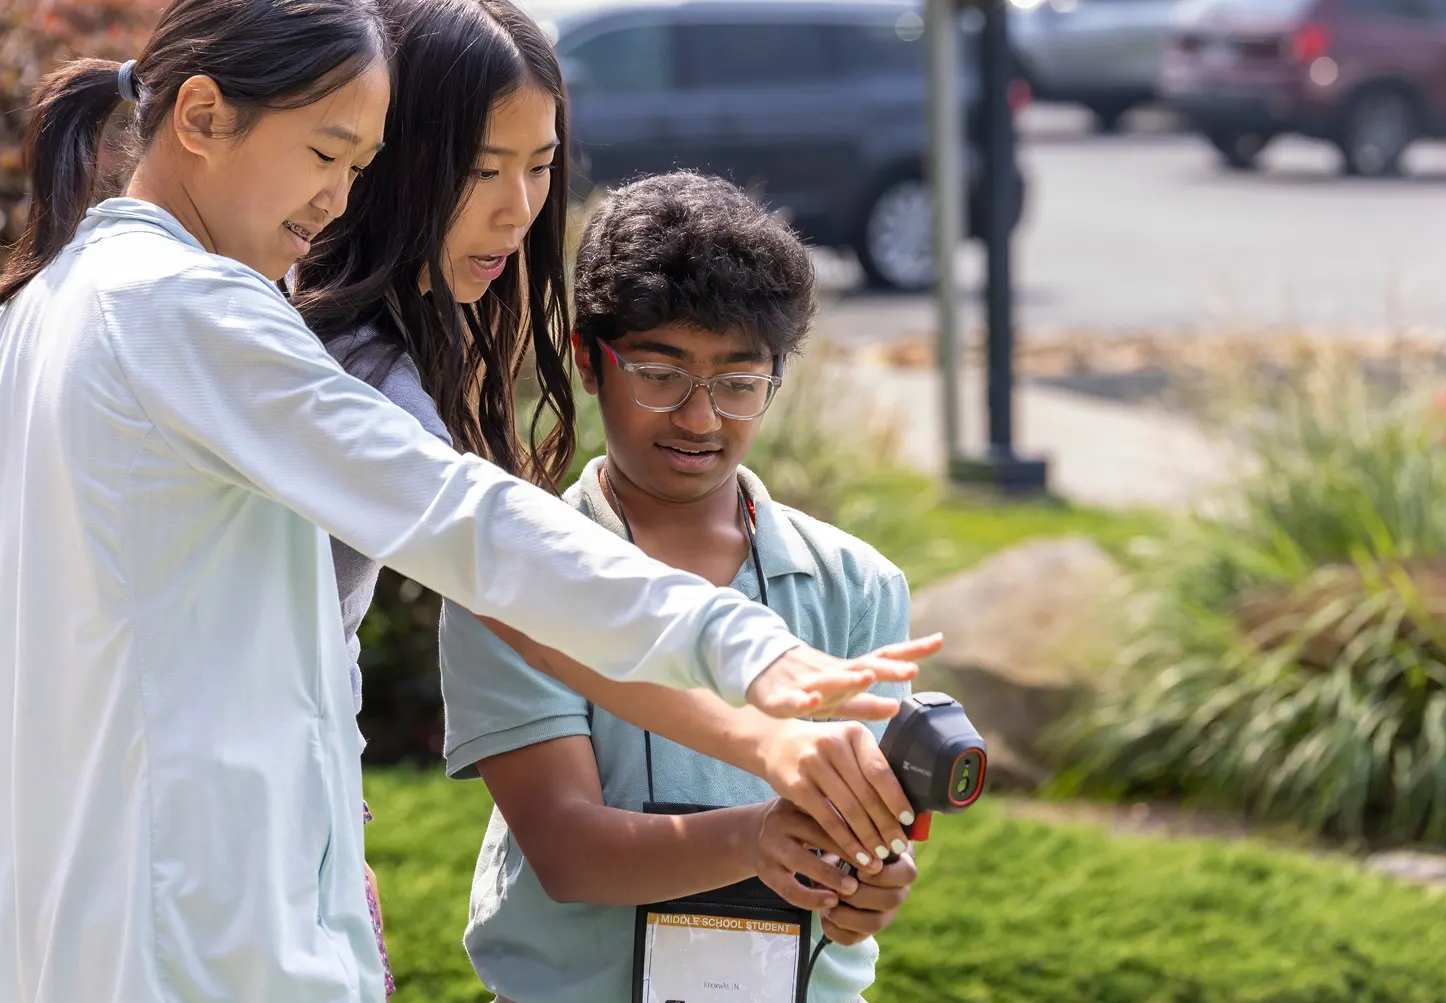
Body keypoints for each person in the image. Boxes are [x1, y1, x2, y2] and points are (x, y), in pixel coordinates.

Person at [0, 4, 931, 1002]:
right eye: (330, 151)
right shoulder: (191, 311)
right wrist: (748, 659)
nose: (519, 207)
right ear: (199, 115)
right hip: (191, 919)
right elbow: (472, 531)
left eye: (541, 166)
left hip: (136, 897)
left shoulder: (67, 295)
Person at [288, 0, 924, 989]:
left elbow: (866, 846)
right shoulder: (327, 376)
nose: (516, 207)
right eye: (481, 167)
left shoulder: (854, 581)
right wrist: (758, 738)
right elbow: (529, 605)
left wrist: (854, 872)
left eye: (539, 166)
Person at [439, 171, 923, 1003]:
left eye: (739, 383)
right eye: (661, 374)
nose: (701, 418)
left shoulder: (857, 584)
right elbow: (567, 849)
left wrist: (868, 888)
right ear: (591, 361)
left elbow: (871, 858)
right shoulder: (514, 571)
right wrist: (764, 839)